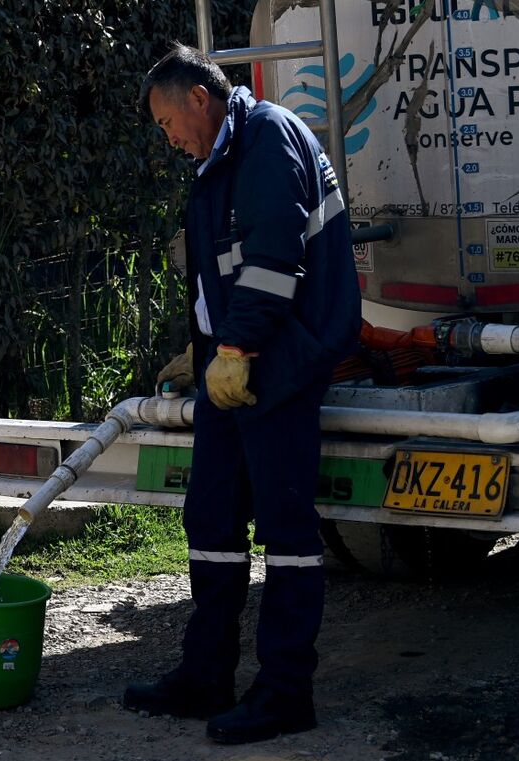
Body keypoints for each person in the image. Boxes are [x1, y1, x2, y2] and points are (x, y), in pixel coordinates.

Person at [125, 44, 360, 743]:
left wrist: (233, 348)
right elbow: (220, 270)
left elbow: (272, 258)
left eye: (168, 121)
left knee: (287, 533)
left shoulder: (267, 138)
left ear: (200, 97)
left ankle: (286, 692)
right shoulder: (219, 158)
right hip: (237, 359)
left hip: (279, 360)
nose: (168, 137)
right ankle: (206, 675)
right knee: (213, 518)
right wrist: (203, 347)